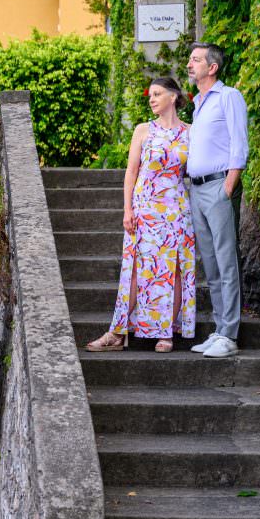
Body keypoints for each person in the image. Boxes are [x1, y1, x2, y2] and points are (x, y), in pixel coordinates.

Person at [86, 77, 197, 353]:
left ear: (173, 97)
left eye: (157, 94)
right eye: (150, 94)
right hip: (145, 210)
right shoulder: (143, 131)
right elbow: (131, 172)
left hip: (176, 211)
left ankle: (167, 332)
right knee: (135, 270)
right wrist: (128, 209)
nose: (151, 98)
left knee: (174, 271)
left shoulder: (190, 133)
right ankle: (117, 332)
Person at [185, 42, 248, 358]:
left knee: (226, 260)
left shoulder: (229, 97)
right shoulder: (199, 104)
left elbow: (239, 144)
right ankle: (220, 329)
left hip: (218, 187)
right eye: (189, 60)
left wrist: (228, 186)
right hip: (197, 190)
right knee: (210, 263)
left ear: (212, 67)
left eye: (195, 60)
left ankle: (230, 334)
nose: (189, 64)